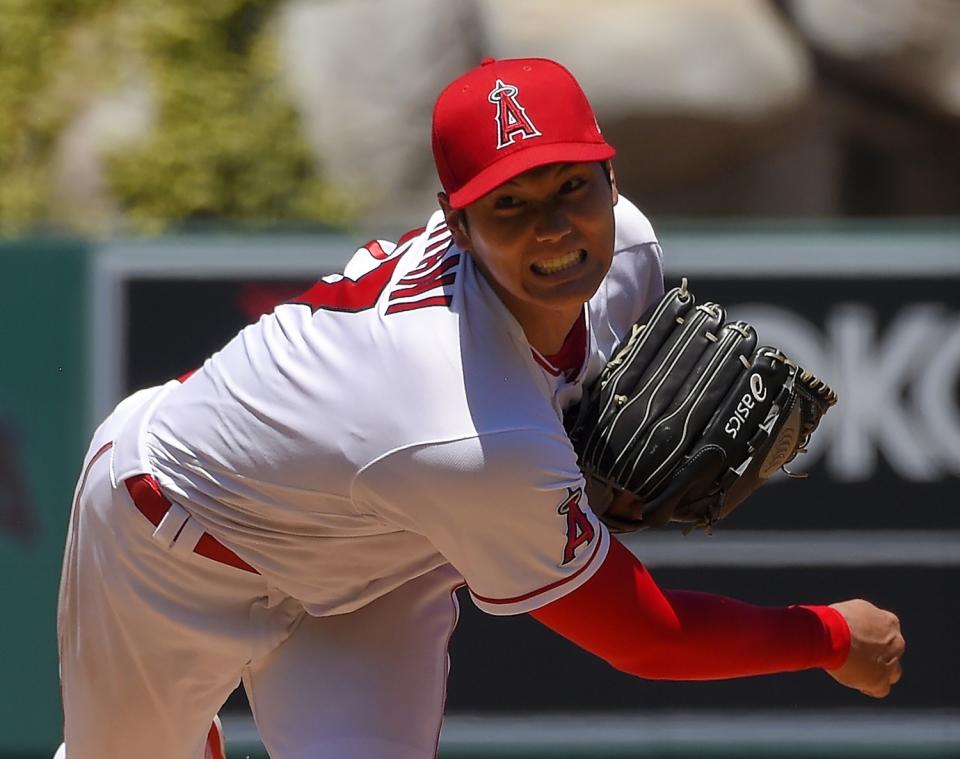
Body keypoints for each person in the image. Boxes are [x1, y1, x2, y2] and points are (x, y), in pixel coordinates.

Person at [57, 57, 904, 759]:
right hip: (170, 540)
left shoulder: (629, 251)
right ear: (455, 224)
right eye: (510, 204)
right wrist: (827, 633)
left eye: (573, 185)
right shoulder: (466, 428)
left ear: (613, 179)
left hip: (381, 549)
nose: (554, 229)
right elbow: (649, 637)